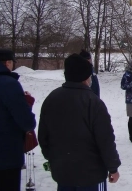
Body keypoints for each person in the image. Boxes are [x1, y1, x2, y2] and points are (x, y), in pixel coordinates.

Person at [38, 54, 121, 190]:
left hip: (63, 170)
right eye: (89, 75)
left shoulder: (51, 99)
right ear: (84, 77)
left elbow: (43, 135)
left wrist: (53, 158)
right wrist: (113, 168)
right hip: (90, 173)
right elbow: (105, 139)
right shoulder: (93, 102)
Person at [0, 49, 36, 191]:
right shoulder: (8, 84)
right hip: (5, 156)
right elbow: (26, 122)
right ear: (7, 63)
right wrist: (27, 103)